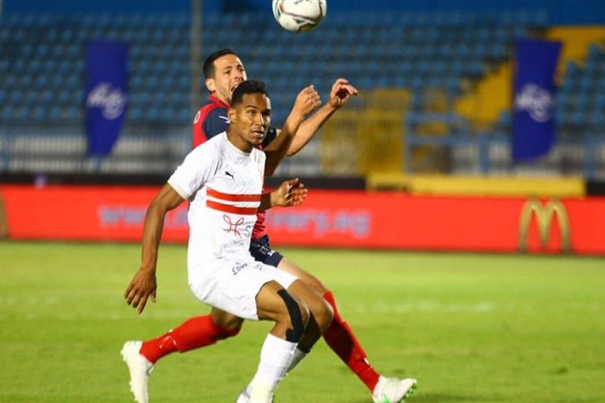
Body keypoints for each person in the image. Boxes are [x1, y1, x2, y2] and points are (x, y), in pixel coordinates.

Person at [125, 48, 417, 403]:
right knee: (308, 307)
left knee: (227, 325)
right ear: (213, 86)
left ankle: (147, 353)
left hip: (245, 241)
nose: (237, 73)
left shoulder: (248, 124)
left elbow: (277, 151)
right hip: (234, 246)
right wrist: (294, 117)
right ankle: (370, 386)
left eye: (240, 67)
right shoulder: (218, 120)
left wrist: (327, 108)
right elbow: (268, 157)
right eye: (227, 70)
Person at [122, 80, 333, 403]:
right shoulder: (209, 156)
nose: (260, 121)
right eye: (251, 112)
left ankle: (252, 393)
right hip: (213, 269)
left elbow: (235, 200)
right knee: (292, 312)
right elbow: (158, 206)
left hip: (243, 263)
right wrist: (147, 267)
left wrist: (273, 200)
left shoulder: (256, 159)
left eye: (265, 114)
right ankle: (258, 398)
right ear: (231, 115)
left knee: (320, 312)